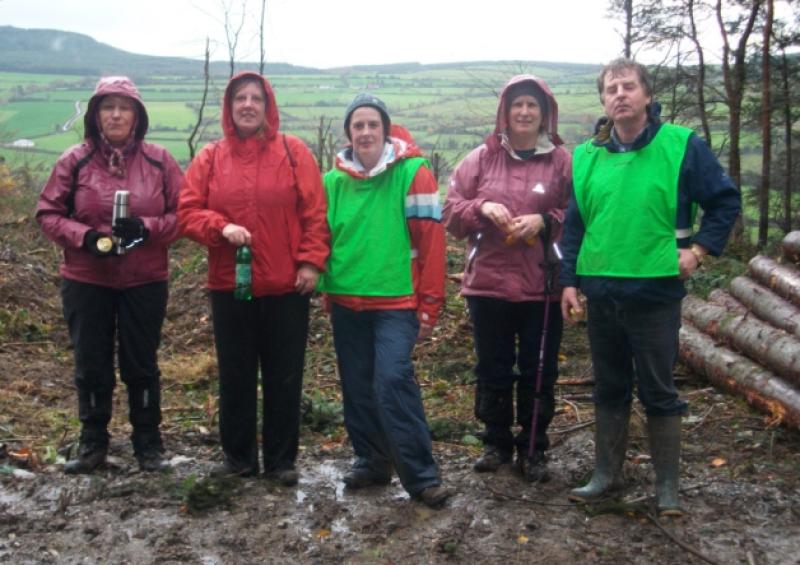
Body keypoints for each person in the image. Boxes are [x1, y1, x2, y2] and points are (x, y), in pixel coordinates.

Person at [560, 58, 740, 516]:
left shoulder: (681, 146)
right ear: (603, 100)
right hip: (602, 292)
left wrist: (698, 252)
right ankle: (606, 476)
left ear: (645, 95)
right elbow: (575, 227)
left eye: (628, 87)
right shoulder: (586, 157)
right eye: (611, 89)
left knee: (658, 389)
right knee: (609, 386)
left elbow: (723, 202)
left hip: (656, 291)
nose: (619, 94)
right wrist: (568, 284)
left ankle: (667, 488)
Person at [178, 71, 329, 485]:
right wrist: (219, 226)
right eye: (239, 98)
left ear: (268, 106)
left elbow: (315, 214)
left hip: (287, 287)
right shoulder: (210, 157)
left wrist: (311, 262)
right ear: (229, 108)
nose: (247, 104)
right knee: (236, 374)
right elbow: (187, 212)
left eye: (255, 98)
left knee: (284, 375)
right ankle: (238, 459)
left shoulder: (294, 152)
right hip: (231, 286)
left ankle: (281, 461)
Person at [36, 76, 183, 473]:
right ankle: (93, 446)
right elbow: (48, 213)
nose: (116, 114)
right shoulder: (74, 160)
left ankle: (149, 446)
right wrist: (84, 238)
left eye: (124, 106)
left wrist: (147, 228)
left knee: (141, 364)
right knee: (91, 362)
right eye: (108, 106)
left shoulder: (160, 161)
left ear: (138, 115)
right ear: (95, 115)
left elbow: (184, 215)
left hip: (145, 278)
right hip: (87, 280)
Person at [317, 93, 452, 508]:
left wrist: (431, 302)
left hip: (396, 302)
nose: (365, 132)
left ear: (386, 129)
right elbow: (322, 238)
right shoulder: (332, 181)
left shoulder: (413, 173)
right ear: (348, 134)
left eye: (373, 124)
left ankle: (422, 477)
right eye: (357, 125)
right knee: (357, 387)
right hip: (345, 301)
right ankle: (372, 462)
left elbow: (431, 241)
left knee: (392, 381)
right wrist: (323, 284)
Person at [443, 76, 571, 482]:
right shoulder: (479, 159)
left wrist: (545, 221)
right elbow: (451, 213)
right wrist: (482, 208)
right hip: (489, 285)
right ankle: (496, 441)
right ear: (505, 111)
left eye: (532, 105)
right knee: (493, 367)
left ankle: (533, 446)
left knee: (539, 370)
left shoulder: (563, 162)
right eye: (517, 105)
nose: (524, 112)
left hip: (542, 286)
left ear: (545, 112)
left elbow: (581, 214)